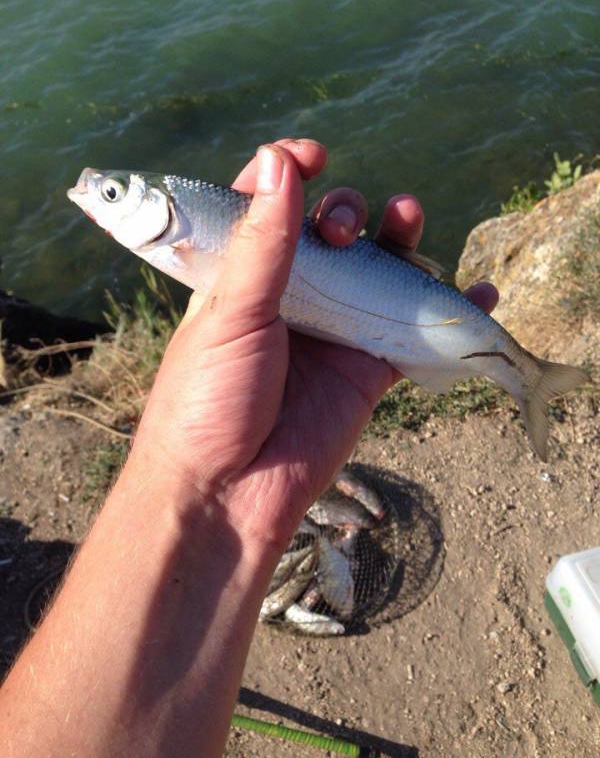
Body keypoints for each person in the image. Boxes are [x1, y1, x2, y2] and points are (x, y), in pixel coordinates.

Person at [0, 139, 498, 756]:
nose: (98, 201)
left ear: (162, 207)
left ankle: (513, 367)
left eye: (113, 194)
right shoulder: (179, 239)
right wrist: (198, 480)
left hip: (328, 363)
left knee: (342, 232)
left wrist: (198, 490)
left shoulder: (180, 233)